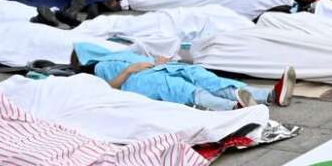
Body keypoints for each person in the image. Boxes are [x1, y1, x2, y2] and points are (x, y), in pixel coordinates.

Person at [72, 41, 286, 110]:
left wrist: (159, 61)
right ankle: (231, 106)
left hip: (155, 69)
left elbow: (143, 58)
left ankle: (267, 95)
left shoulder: (119, 53)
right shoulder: (98, 68)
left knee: (200, 75)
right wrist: (129, 70)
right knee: (181, 89)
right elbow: (108, 90)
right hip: (138, 80)